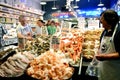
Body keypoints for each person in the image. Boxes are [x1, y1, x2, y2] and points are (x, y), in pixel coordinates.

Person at [95, 9, 120, 80]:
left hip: (116, 70)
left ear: (109, 20)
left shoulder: (119, 31)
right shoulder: (105, 30)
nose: (100, 21)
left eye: (102, 19)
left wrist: (105, 57)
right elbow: (101, 44)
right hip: (104, 69)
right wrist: (98, 51)